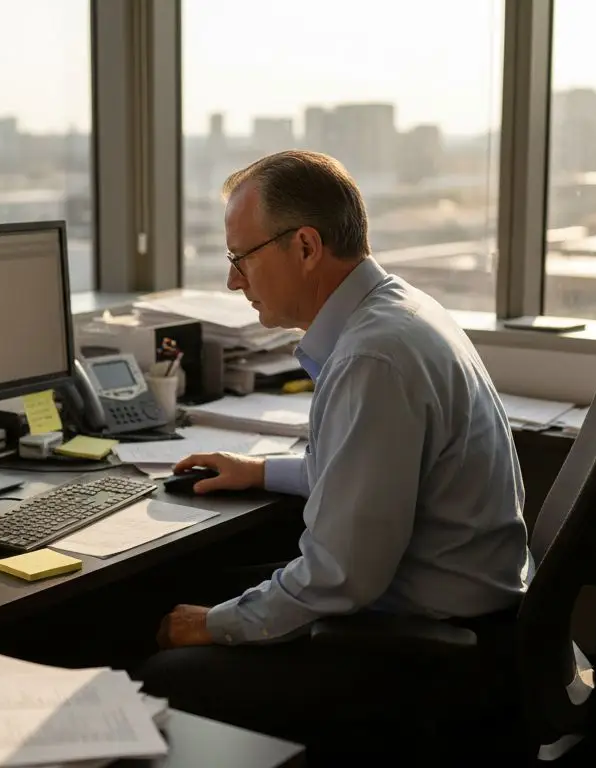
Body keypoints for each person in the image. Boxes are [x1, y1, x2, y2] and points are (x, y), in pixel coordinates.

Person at [134, 150, 533, 752]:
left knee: (159, 672)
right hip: (464, 614)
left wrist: (213, 625)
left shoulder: (373, 357)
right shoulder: (398, 312)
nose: (232, 281)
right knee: (206, 580)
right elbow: (368, 476)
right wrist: (261, 471)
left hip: (430, 649)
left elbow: (340, 578)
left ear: (306, 247)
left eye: (242, 258)